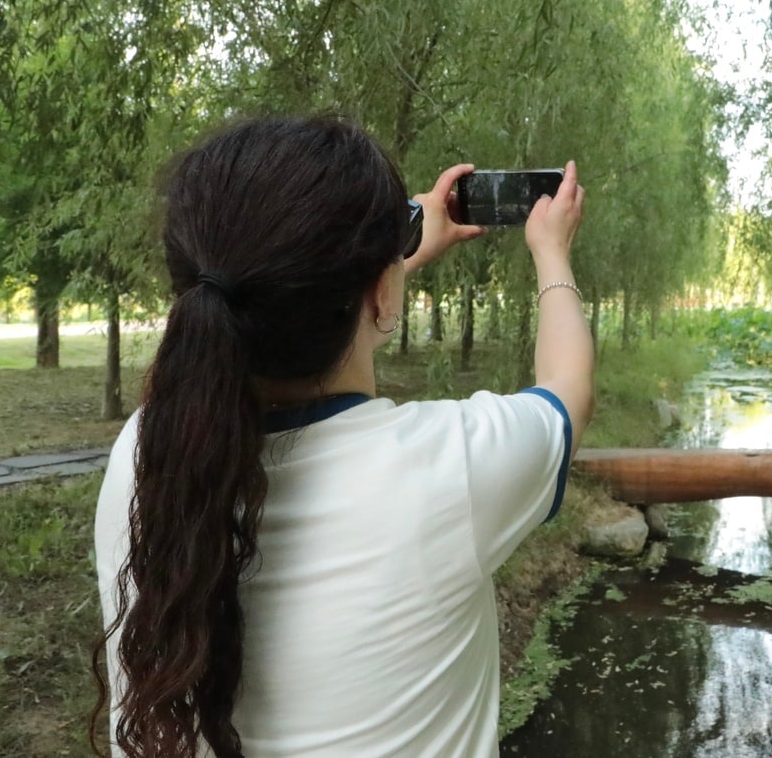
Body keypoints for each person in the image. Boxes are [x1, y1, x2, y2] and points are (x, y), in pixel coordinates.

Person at [92, 114, 594, 758]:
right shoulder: (451, 467)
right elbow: (568, 388)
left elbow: (271, 300)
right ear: (382, 293)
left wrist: (383, 260)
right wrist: (551, 251)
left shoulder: (143, 453)